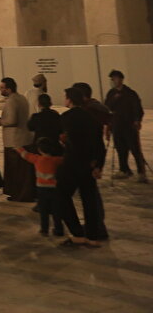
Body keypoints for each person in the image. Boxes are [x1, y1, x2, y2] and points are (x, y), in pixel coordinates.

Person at [57, 85, 105, 246]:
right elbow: (100, 145)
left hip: (72, 163)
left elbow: (66, 140)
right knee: (89, 200)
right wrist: (98, 165)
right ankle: (93, 236)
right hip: (89, 165)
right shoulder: (92, 118)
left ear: (69, 99)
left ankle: (77, 233)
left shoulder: (66, 117)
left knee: (61, 196)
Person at [13, 137, 64, 237]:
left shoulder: (37, 159)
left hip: (41, 189)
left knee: (43, 210)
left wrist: (18, 148)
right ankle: (59, 230)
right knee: (56, 210)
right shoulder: (56, 160)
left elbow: (25, 155)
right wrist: (63, 145)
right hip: (54, 189)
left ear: (39, 149)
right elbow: (66, 158)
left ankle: (44, 230)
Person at [0, 77, 33, 202]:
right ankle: (25, 193)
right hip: (25, 138)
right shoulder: (22, 98)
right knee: (23, 171)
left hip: (14, 140)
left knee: (15, 170)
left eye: (2, 88)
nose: (0, 90)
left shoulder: (11, 101)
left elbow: (11, 120)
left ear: (9, 89)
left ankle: (18, 194)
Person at [104, 69, 147, 182]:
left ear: (121, 79)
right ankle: (124, 169)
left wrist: (137, 120)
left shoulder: (130, 93)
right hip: (116, 125)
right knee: (120, 148)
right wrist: (108, 125)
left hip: (129, 125)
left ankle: (141, 172)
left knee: (135, 149)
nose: (113, 81)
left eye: (115, 78)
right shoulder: (111, 93)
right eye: (112, 79)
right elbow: (107, 107)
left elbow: (137, 108)